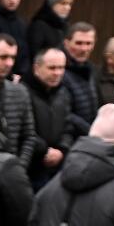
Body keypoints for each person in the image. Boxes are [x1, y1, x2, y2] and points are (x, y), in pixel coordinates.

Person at [24, 48, 76, 189]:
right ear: (36, 68)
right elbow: (22, 129)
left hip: (58, 166)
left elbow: (68, 126)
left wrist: (62, 150)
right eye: (52, 68)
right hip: (31, 166)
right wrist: (45, 151)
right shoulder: (23, 92)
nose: (57, 73)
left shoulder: (64, 93)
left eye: (61, 68)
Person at [0, 36, 35, 167]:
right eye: (3, 57)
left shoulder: (20, 92)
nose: (9, 63)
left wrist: (19, 167)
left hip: (10, 168)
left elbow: (29, 136)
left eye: (13, 58)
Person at [59, 23, 99, 138]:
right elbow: (64, 112)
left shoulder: (90, 70)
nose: (84, 49)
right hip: (69, 137)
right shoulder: (59, 70)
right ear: (66, 43)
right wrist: (90, 131)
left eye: (88, 43)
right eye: (79, 43)